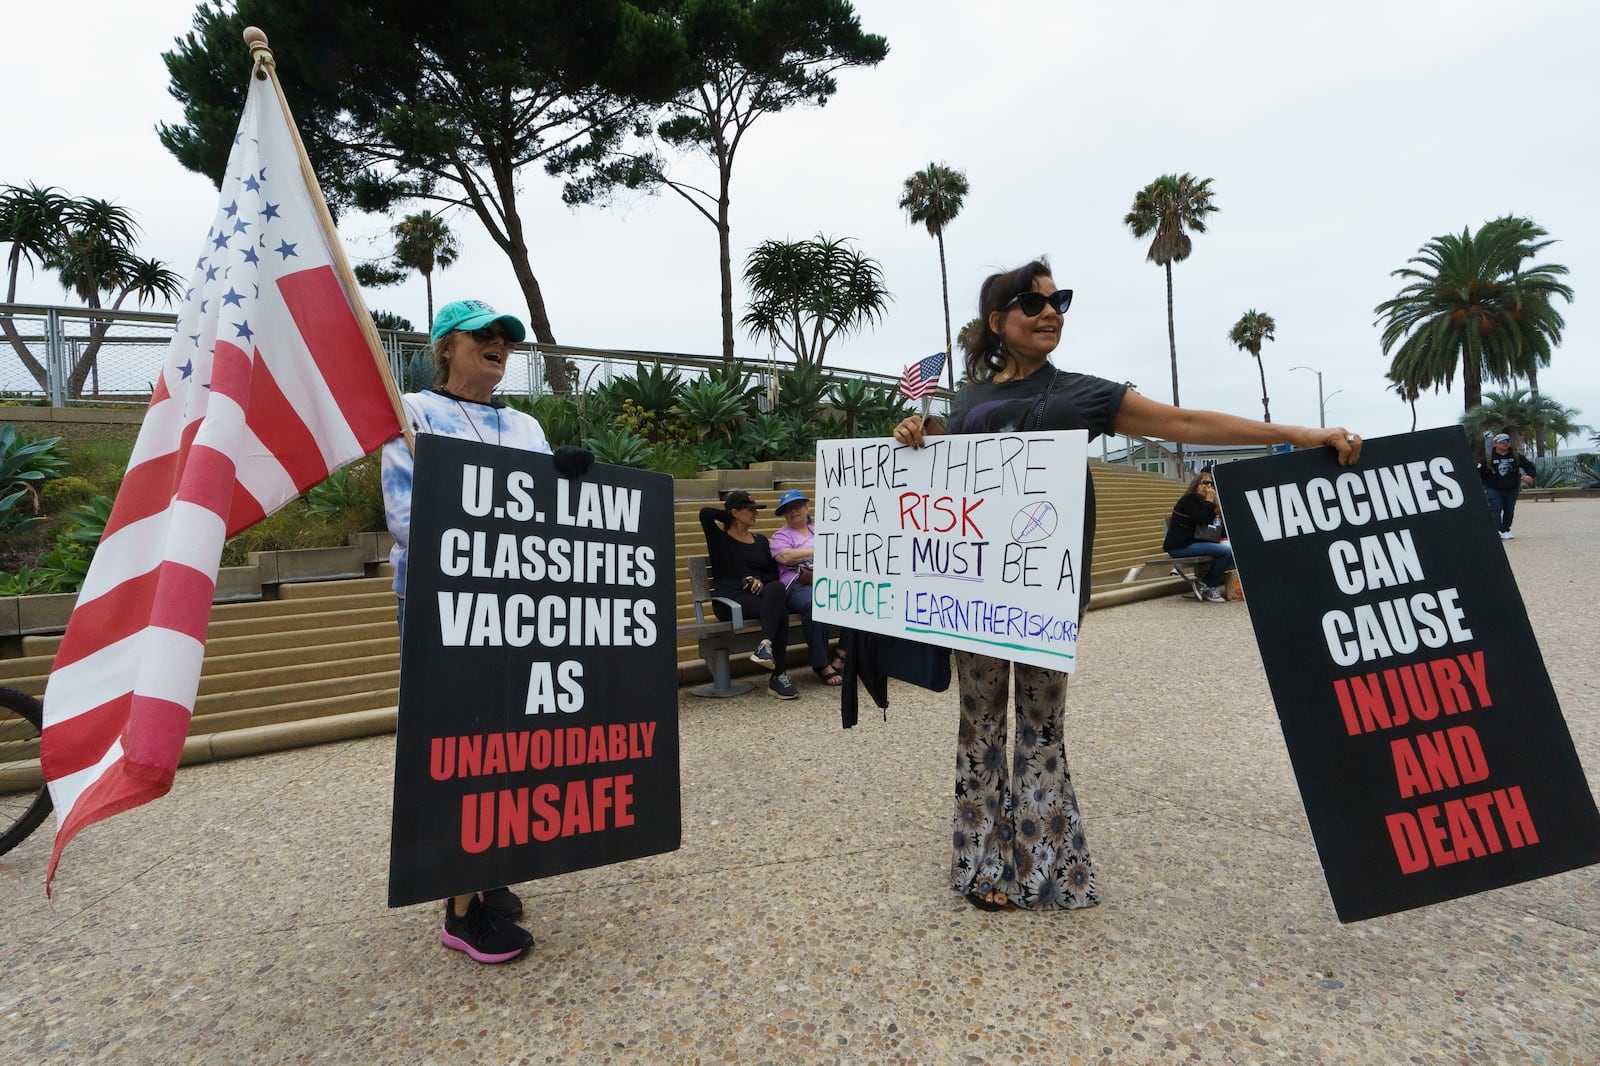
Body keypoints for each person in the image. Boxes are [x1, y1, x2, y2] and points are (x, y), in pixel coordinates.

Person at [893, 257, 1362, 912]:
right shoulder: (966, 401)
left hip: (1045, 592)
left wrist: (1296, 434)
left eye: (1060, 302)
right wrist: (915, 440)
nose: (1052, 312)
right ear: (998, 321)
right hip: (972, 594)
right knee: (978, 726)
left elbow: (1187, 424)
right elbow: (942, 481)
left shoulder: (1083, 393)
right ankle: (981, 864)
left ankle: (1041, 868)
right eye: (1034, 304)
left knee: (1040, 726)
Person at [382, 298, 592, 963]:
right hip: (444, 606)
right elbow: (407, 520)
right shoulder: (412, 415)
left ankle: (487, 872)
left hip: (520, 606)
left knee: (511, 745)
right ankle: (459, 910)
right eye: (484, 336)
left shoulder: (527, 426)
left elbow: (551, 515)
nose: (499, 344)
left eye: (507, 338)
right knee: (458, 746)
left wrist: (574, 486)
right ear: (447, 346)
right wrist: (502, 522)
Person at [698, 490, 799, 699]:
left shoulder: (761, 541)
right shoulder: (720, 540)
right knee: (778, 611)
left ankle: (765, 645)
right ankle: (778, 676)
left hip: (759, 596)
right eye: (750, 510)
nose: (755, 514)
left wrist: (760, 580)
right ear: (735, 512)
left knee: (777, 590)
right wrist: (728, 513)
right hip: (729, 599)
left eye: (756, 510)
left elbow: (772, 574)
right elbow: (705, 513)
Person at [769, 489, 845, 687]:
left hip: (827, 582)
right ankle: (821, 664)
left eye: (797, 507)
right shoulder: (780, 536)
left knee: (854, 597)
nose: (794, 511)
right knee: (815, 602)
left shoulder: (819, 529)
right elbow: (785, 557)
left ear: (806, 508)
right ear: (784, 514)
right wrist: (820, 549)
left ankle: (842, 652)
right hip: (797, 586)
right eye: (788, 509)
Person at [1164, 472, 1235, 602]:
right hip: (1181, 545)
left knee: (1233, 549)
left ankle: (1205, 584)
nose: (1208, 486)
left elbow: (1215, 525)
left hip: (1196, 543)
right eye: (1205, 483)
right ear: (1196, 485)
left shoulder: (1208, 504)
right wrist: (1209, 501)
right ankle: (1208, 584)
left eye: (1211, 484)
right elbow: (1201, 518)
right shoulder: (1189, 499)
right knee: (1226, 552)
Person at [1480, 432, 1535, 539]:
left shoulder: (1516, 456)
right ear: (1495, 443)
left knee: (1509, 510)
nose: (1505, 443)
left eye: (1507, 441)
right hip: (1494, 489)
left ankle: (1506, 529)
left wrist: (1530, 476)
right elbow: (1479, 473)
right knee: (1495, 509)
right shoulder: (1488, 459)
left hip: (1512, 489)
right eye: (1502, 442)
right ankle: (1498, 530)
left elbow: (1529, 466)